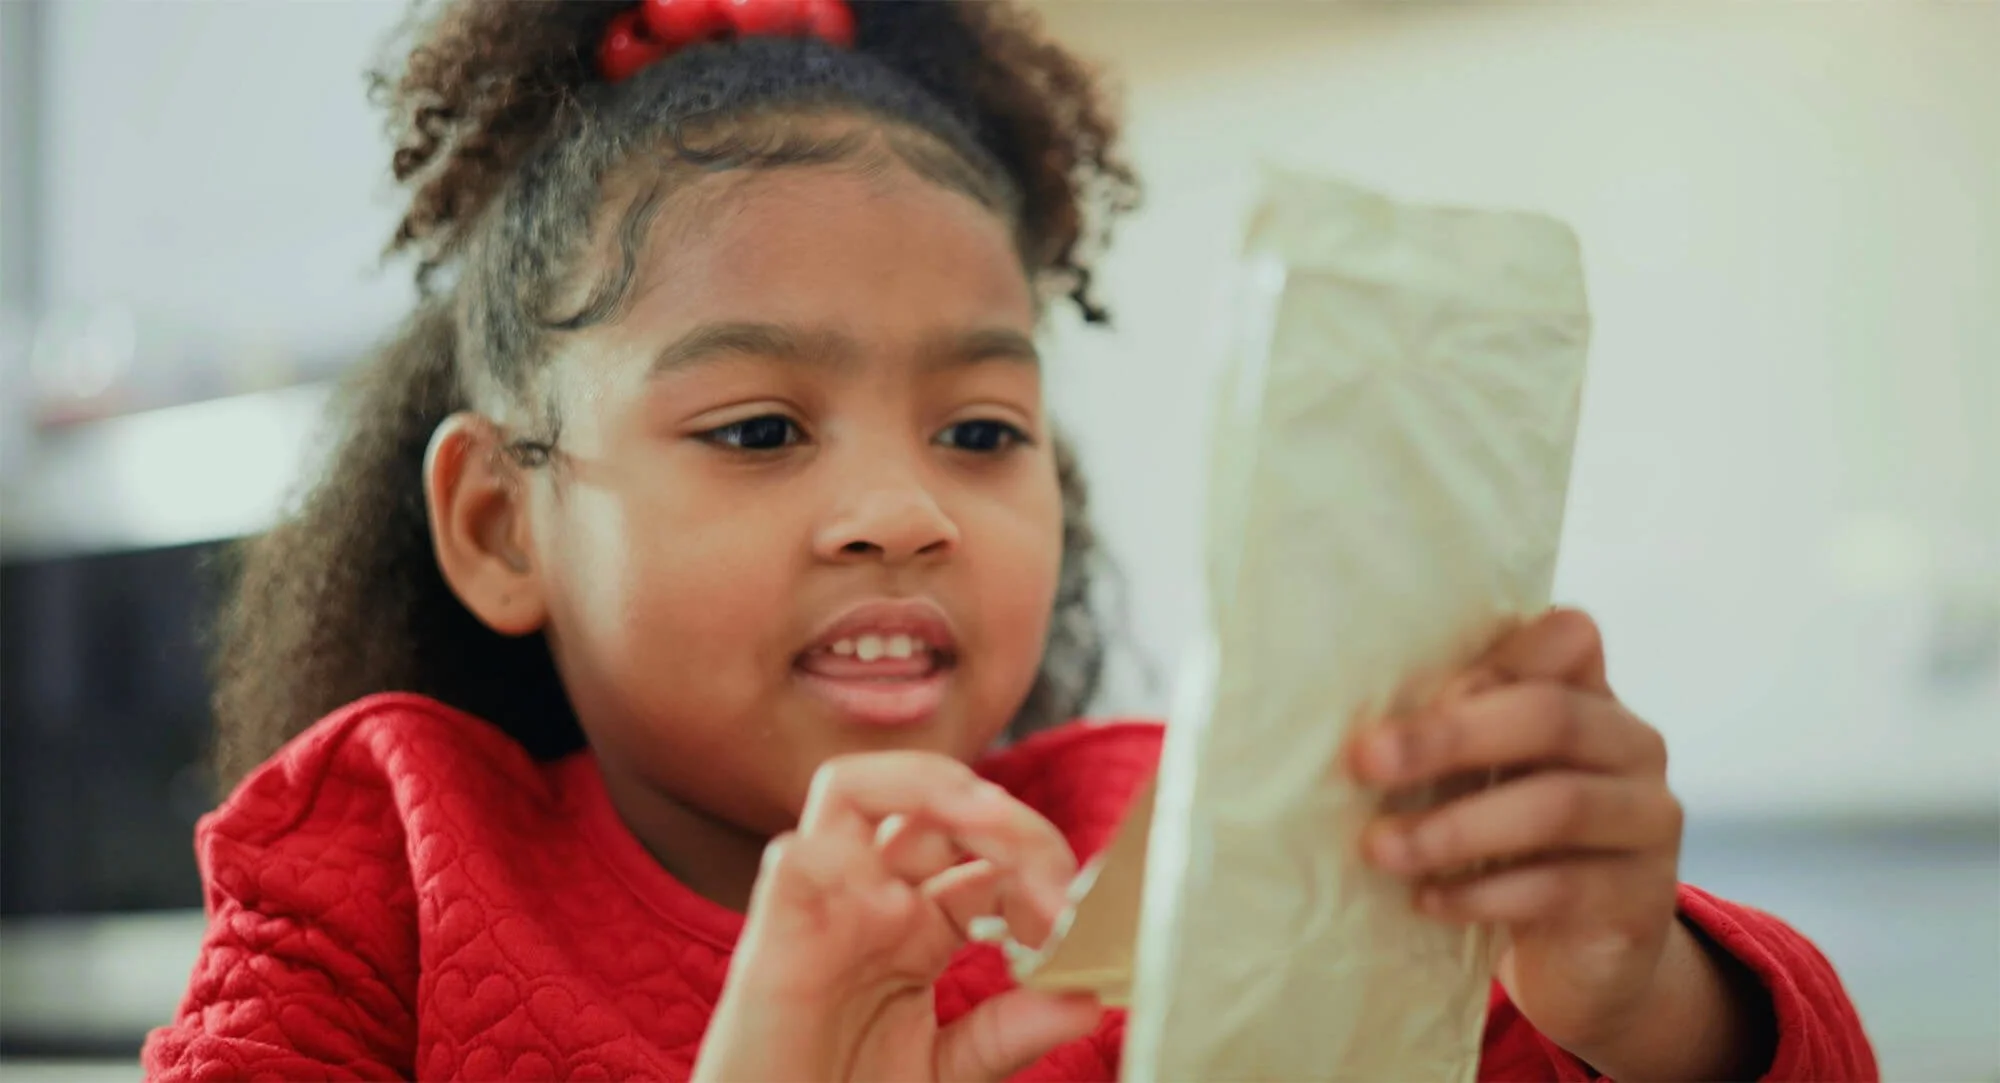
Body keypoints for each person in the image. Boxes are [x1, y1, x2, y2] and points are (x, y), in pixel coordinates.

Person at [143, 1, 1876, 1080]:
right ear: (500, 520)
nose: (904, 510)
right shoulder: (378, 866)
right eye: (758, 429)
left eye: (981, 432)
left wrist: (1640, 988)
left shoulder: (1179, 846)